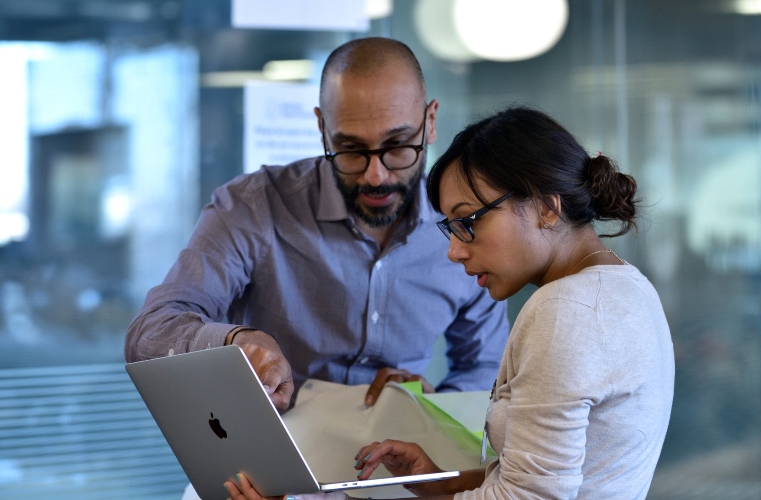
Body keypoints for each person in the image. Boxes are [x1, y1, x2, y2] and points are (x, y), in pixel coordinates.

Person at [225, 106, 675, 500]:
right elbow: (553, 479)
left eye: (468, 222)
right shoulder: (626, 288)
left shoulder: (564, 309)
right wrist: (444, 483)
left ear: (546, 208)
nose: (455, 250)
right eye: (449, 229)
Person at [124, 37, 508, 412]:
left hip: (399, 463)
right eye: (351, 150)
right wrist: (236, 340)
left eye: (397, 146)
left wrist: (433, 407)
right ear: (322, 129)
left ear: (430, 121)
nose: (376, 176)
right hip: (270, 461)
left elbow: (484, 369)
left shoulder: (462, 224)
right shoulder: (252, 207)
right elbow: (149, 333)